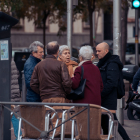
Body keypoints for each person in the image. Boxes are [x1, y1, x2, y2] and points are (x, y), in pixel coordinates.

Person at [30, 41, 72, 135]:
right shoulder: (61, 64)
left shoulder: (38, 65)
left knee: (46, 123)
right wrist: (66, 93)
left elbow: (33, 83)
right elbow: (67, 82)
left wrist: (42, 92)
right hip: (59, 97)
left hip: (45, 98)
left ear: (46, 51)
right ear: (57, 52)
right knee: (57, 124)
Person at [96, 42, 130, 140]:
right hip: (104, 98)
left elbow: (112, 83)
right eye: (96, 51)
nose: (97, 53)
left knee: (113, 121)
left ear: (106, 51)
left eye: (99, 51)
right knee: (105, 124)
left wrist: (100, 94)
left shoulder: (112, 64)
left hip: (108, 99)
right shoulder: (102, 62)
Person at [11, 59, 22, 140]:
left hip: (8, 92)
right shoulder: (10, 59)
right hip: (14, 91)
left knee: (13, 115)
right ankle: (19, 136)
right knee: (14, 115)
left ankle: (19, 136)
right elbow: (17, 74)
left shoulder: (4, 59)